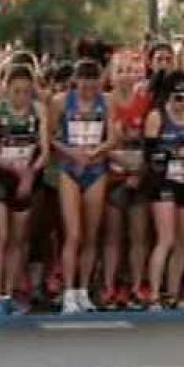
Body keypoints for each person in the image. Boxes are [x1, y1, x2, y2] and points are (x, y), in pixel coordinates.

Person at [0, 65, 48, 317]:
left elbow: (44, 151)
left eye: (26, 92)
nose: (21, 97)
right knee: (1, 234)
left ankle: (9, 291)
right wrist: (9, 166)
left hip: (26, 177)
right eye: (16, 92)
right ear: (7, 90)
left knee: (18, 238)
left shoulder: (38, 110)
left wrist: (30, 173)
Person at [49, 59, 111, 313]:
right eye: (83, 86)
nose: (88, 92)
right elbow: (50, 136)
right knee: (73, 234)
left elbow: (114, 136)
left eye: (93, 87)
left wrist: (97, 151)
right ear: (75, 82)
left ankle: (83, 290)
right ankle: (68, 292)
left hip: (96, 168)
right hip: (70, 169)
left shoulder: (106, 102)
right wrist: (71, 153)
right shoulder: (61, 102)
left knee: (90, 234)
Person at [145, 70, 184, 309]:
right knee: (166, 238)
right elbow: (151, 155)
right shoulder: (157, 117)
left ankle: (174, 293)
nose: (183, 103)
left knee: (182, 241)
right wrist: (176, 153)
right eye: (178, 98)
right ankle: (153, 294)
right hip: (164, 181)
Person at [103, 52, 152, 309]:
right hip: (111, 177)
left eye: (130, 70)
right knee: (112, 235)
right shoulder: (105, 102)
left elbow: (151, 140)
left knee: (138, 234)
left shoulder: (145, 103)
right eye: (120, 70)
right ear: (111, 75)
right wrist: (118, 160)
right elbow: (99, 141)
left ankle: (136, 285)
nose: (125, 76)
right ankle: (109, 286)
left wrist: (138, 171)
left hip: (139, 176)